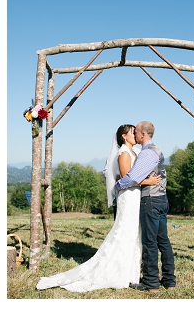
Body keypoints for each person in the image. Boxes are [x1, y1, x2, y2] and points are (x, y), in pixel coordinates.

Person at [36, 124, 159, 292]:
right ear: (124, 136)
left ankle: (131, 273)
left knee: (133, 233)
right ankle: (119, 272)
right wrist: (148, 182)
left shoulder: (132, 152)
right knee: (124, 232)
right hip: (128, 197)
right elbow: (127, 178)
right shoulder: (123, 153)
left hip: (134, 197)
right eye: (132, 132)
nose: (135, 135)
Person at [118, 121, 176, 292]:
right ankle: (169, 280)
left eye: (136, 132)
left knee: (150, 242)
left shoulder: (148, 154)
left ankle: (151, 283)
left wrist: (119, 184)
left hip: (151, 200)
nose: (134, 135)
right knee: (163, 240)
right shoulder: (155, 150)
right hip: (162, 199)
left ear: (143, 135)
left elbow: (132, 178)